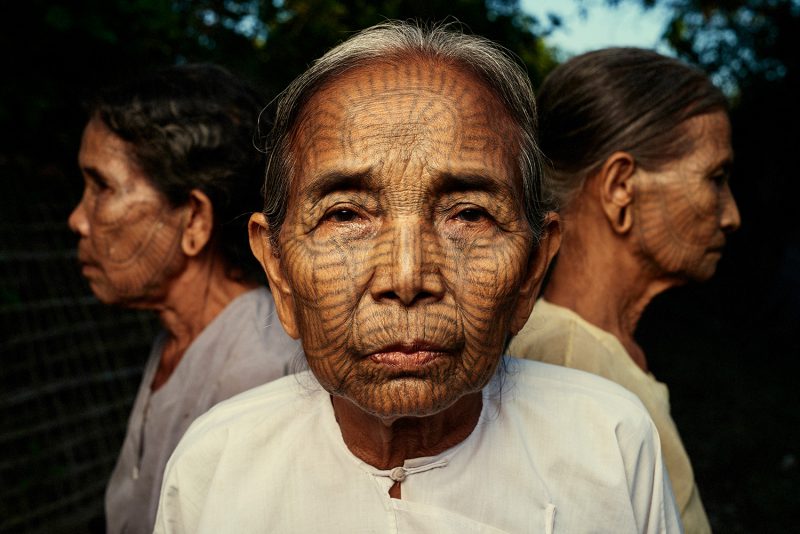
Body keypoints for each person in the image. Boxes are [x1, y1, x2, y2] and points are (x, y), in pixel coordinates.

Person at [154, 23, 681, 533]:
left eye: (469, 215)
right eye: (345, 216)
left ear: (532, 270)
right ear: (279, 272)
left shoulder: (611, 443)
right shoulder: (214, 466)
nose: (406, 278)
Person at [508, 47, 741, 533]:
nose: (731, 215)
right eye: (715, 179)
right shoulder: (566, 360)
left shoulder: (593, 353)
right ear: (620, 187)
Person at [68, 64, 300, 534]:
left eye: (102, 187)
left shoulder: (260, 372)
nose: (78, 219)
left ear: (194, 220)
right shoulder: (180, 340)